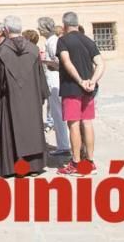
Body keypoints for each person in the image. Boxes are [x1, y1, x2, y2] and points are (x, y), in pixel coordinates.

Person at [0, 16, 49, 177]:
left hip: (9, 97)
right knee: (32, 127)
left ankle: (14, 167)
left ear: (6, 30)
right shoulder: (33, 49)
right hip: (31, 95)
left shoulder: (1, 51)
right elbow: (40, 74)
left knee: (11, 127)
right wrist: (42, 94)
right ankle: (34, 166)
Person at [56, 11, 105, 176]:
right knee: (87, 123)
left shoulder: (63, 40)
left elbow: (66, 61)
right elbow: (100, 63)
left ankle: (76, 162)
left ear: (64, 25)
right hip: (88, 89)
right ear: (77, 23)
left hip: (72, 88)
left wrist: (80, 80)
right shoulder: (88, 40)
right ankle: (90, 162)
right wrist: (92, 80)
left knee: (74, 124)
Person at [38, 17, 70, 155]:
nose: (38, 30)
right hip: (53, 79)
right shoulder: (51, 41)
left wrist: (44, 62)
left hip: (55, 79)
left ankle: (63, 145)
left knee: (58, 114)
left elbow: (58, 63)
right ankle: (63, 144)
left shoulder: (53, 42)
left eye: (40, 27)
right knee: (57, 113)